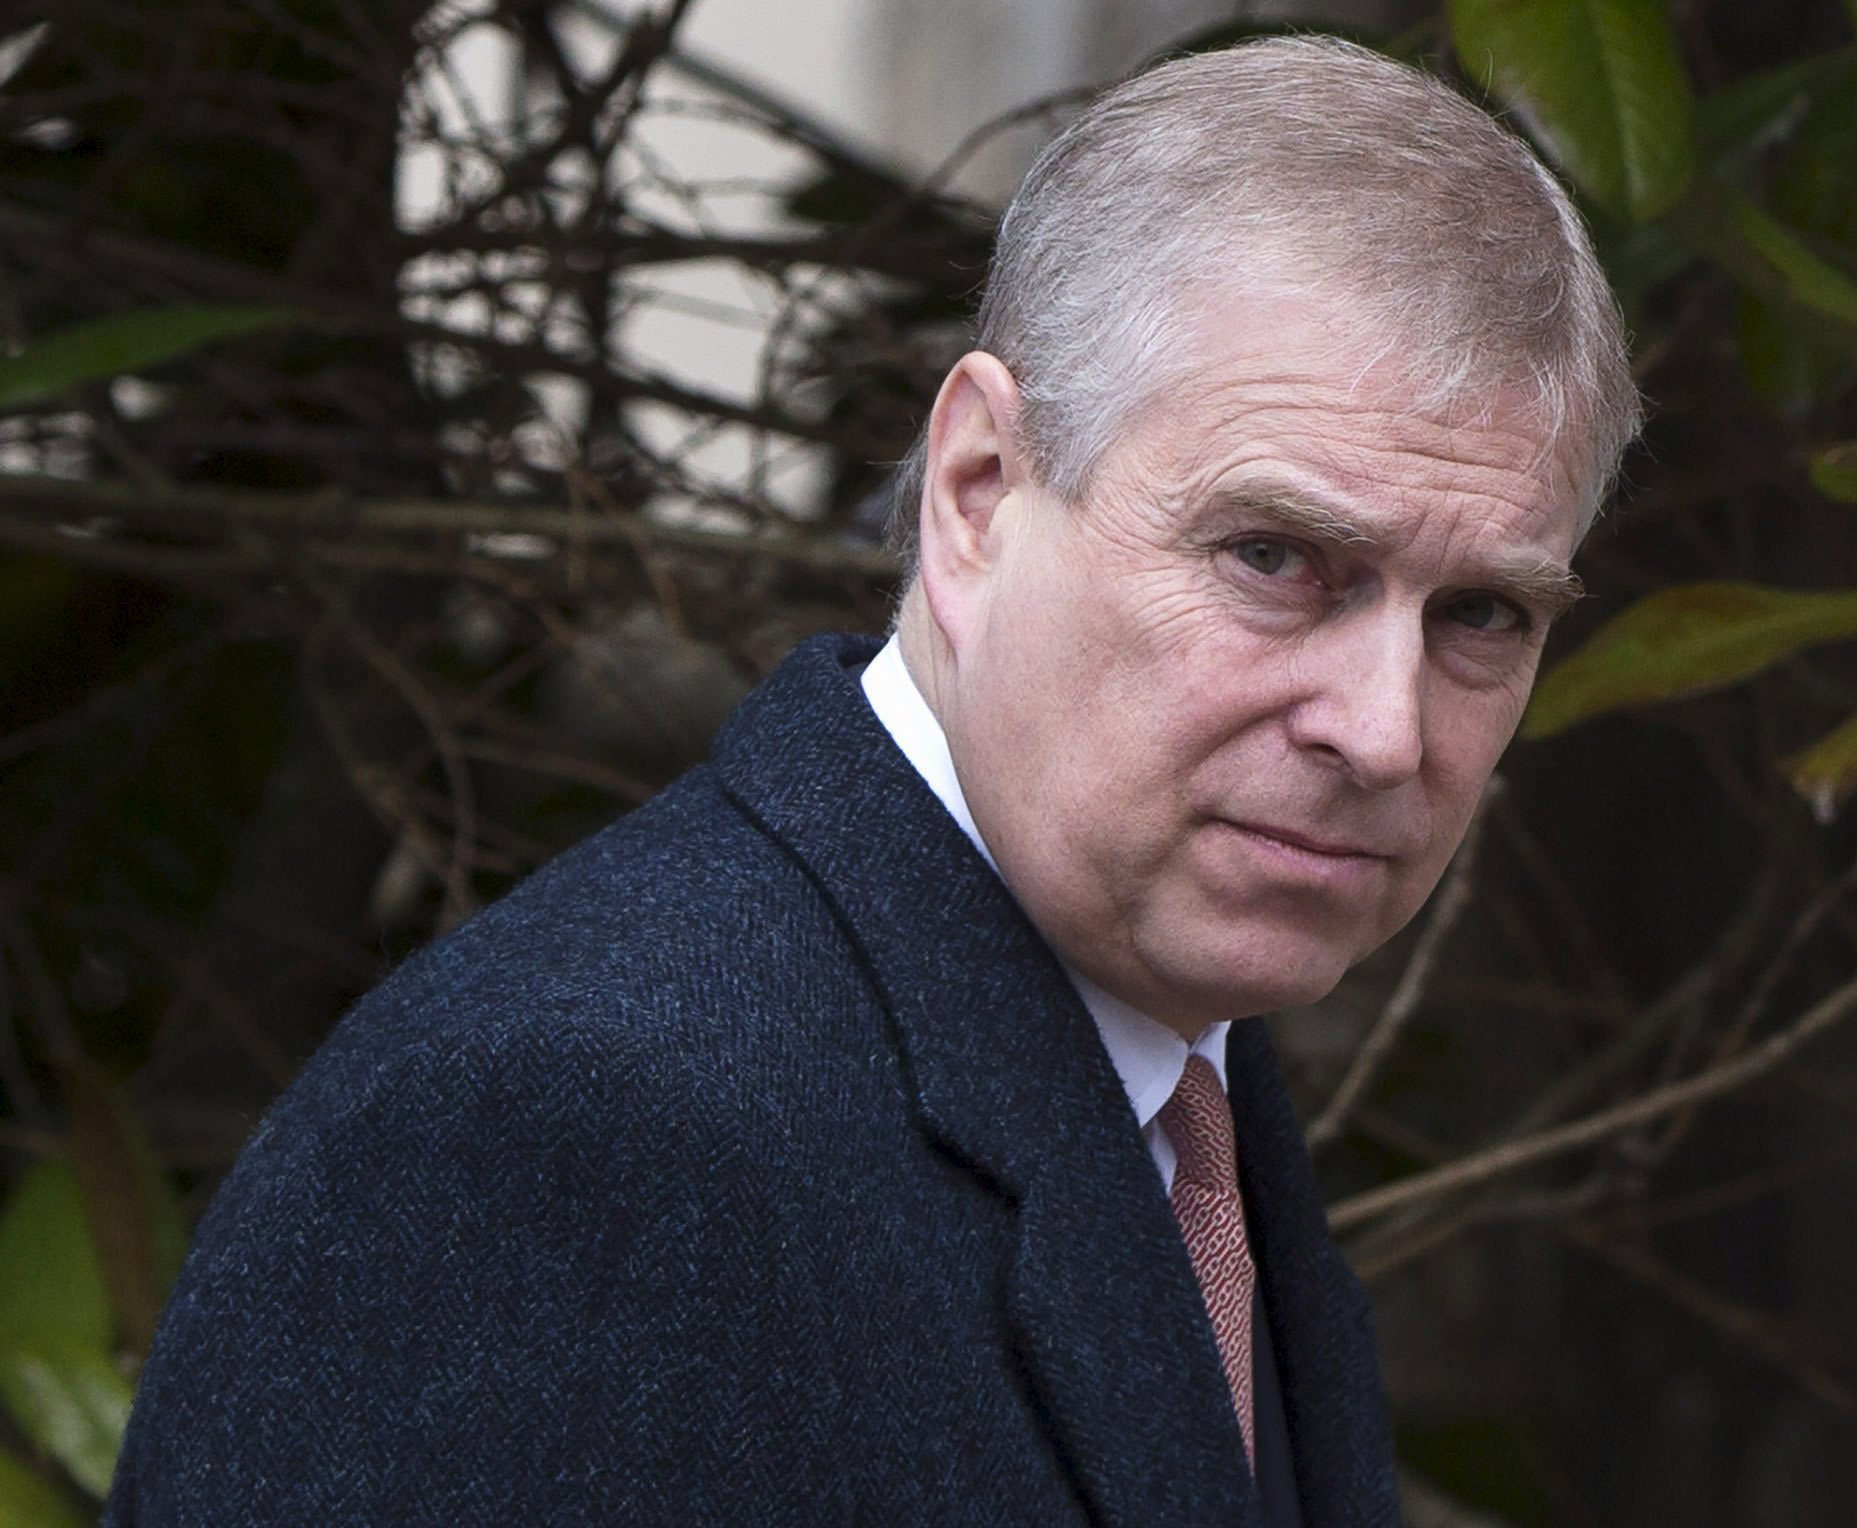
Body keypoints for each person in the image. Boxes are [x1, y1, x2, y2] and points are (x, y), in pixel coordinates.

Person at [107, 33, 1636, 1527]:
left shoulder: (1175, 1075)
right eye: (1276, 559)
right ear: (977, 493)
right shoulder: (573, 1132)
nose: (1383, 730)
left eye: (1483, 615)